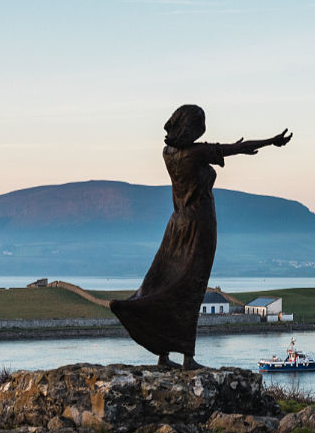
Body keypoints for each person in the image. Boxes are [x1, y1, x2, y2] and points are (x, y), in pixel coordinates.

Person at [110, 105, 291, 369]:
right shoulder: (195, 154)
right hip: (200, 224)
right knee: (192, 288)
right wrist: (270, 142)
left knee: (165, 282)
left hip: (176, 224)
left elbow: (227, 148)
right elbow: (233, 149)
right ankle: (188, 358)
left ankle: (163, 353)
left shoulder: (168, 153)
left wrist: (237, 147)